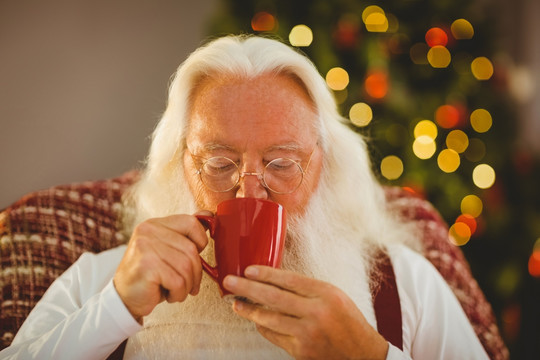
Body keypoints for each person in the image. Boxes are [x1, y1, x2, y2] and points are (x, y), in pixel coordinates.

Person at [0, 35, 490, 359]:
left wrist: (372, 354)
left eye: (281, 164)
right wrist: (113, 309)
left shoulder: (403, 283)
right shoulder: (102, 280)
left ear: (326, 165)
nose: (249, 190)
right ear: (179, 166)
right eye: (219, 164)